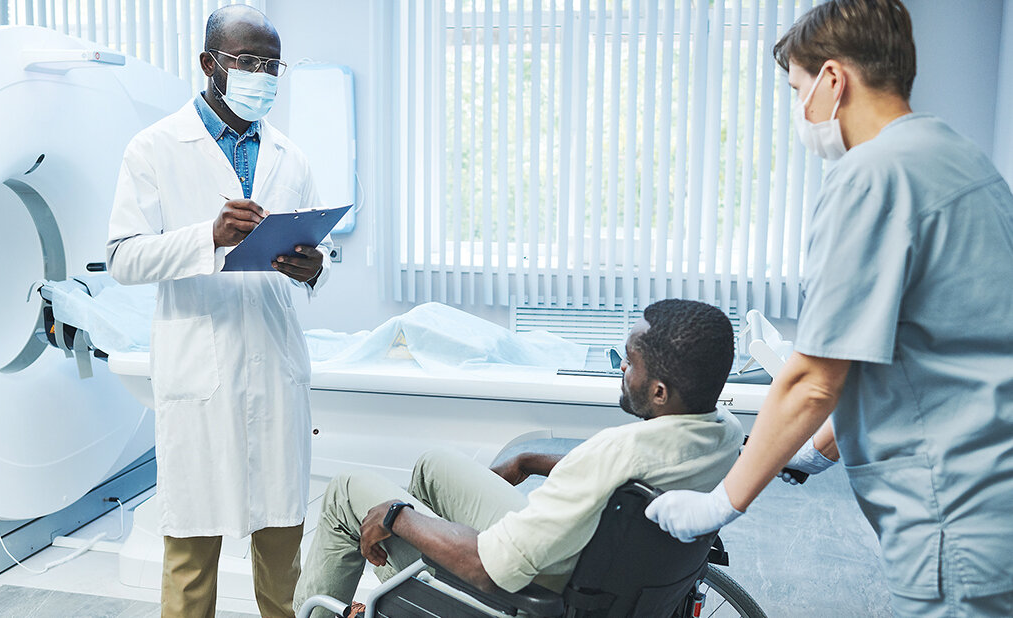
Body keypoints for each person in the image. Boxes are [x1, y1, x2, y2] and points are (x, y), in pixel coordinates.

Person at [645, 1, 1013, 615]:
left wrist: (721, 502)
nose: (800, 108)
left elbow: (814, 378)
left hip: (952, 515)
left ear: (833, 79)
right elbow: (921, 347)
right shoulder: (962, 162)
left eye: (798, 89)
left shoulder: (871, 175)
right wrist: (818, 448)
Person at [292, 299, 745, 618]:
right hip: (587, 562)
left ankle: (402, 591)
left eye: (630, 361)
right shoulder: (724, 432)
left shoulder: (614, 452)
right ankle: (404, 581)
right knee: (434, 466)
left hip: (526, 594)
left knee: (347, 492)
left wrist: (398, 517)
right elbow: (620, 474)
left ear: (660, 392)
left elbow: (490, 568)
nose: (622, 368)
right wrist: (529, 459)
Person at [106, 6, 331, 617]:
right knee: (191, 553)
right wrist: (208, 236)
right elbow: (122, 257)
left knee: (283, 548)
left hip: (275, 366)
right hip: (199, 370)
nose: (263, 76)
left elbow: (319, 250)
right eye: (248, 61)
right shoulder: (154, 148)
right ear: (209, 64)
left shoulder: (290, 155)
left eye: (272, 65)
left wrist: (315, 268)